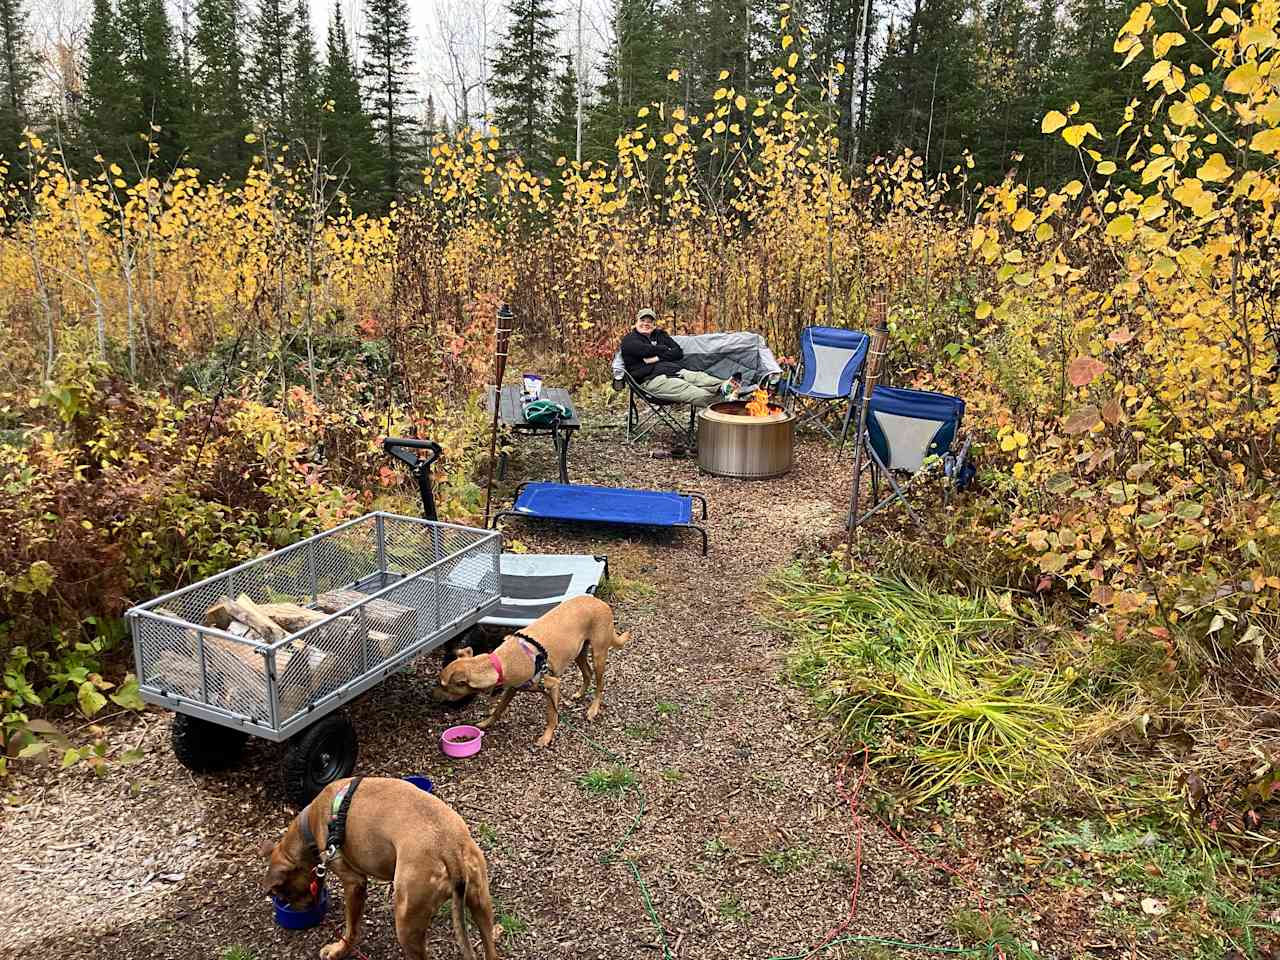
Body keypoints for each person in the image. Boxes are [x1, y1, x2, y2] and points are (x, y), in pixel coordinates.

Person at [619, 308, 741, 407]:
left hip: (674, 370)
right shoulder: (629, 339)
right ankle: (726, 403)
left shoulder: (660, 335)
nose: (646, 324)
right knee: (691, 390)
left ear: (654, 324)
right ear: (636, 322)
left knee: (699, 377)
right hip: (651, 380)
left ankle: (726, 388)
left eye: (649, 321)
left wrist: (656, 358)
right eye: (643, 320)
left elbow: (677, 352)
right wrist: (663, 349)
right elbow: (640, 349)